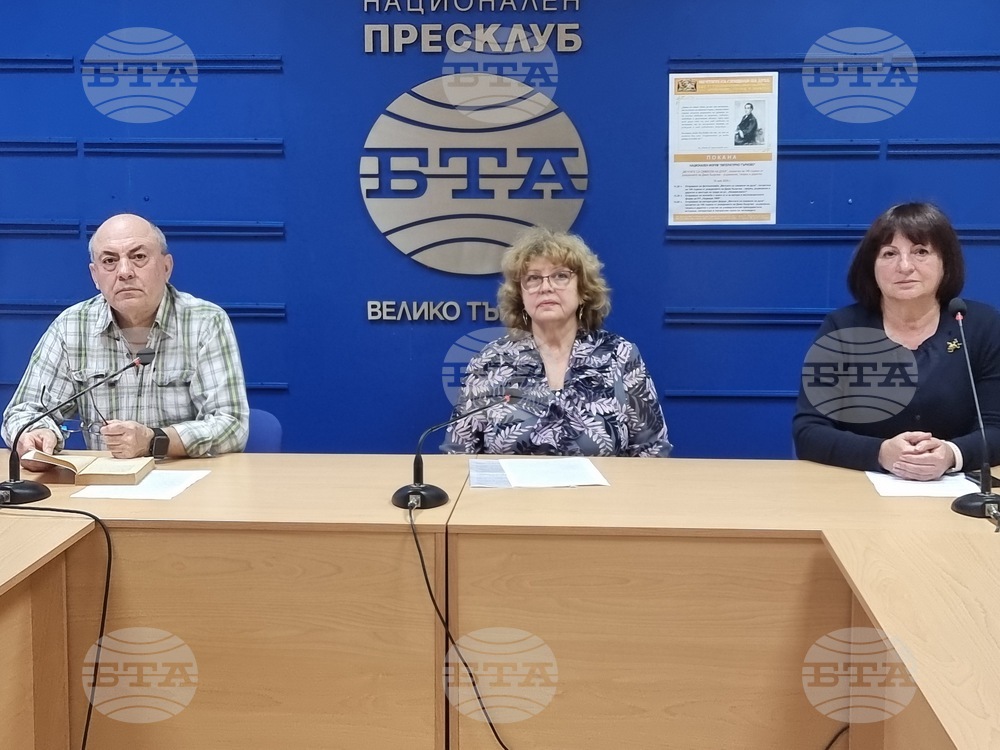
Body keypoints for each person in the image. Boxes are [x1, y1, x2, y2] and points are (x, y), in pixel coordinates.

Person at [2, 213, 249, 469]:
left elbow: (231, 424)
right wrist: (37, 435)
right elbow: (23, 412)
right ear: (95, 276)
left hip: (186, 479)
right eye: (109, 261)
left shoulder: (205, 321)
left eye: (138, 257)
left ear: (166, 267)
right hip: (104, 483)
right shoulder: (72, 326)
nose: (124, 272)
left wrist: (154, 440)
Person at [793, 202, 1000, 480]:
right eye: (889, 253)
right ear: (871, 267)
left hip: (956, 490)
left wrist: (951, 454)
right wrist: (881, 453)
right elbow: (808, 431)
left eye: (921, 252)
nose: (904, 266)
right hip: (856, 487)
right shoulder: (842, 328)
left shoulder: (981, 325)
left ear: (945, 263)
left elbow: (996, 427)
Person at [442, 227, 671, 457]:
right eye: (533, 278)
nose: (546, 287)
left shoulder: (619, 355)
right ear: (520, 295)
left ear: (583, 290)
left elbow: (652, 449)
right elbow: (458, 452)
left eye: (560, 276)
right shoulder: (490, 361)